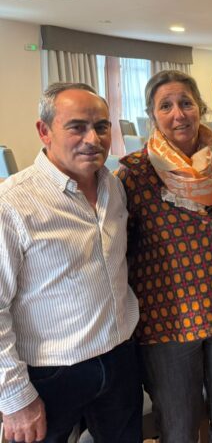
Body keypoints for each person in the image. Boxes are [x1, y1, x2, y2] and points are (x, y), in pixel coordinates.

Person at [116, 71, 212, 443]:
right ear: (153, 115)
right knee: (178, 430)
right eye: (166, 106)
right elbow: (119, 251)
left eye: (185, 103)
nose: (178, 114)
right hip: (169, 321)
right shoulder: (135, 172)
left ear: (200, 108)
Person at [0, 82, 142, 442]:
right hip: (50, 374)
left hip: (119, 358)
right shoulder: (12, 205)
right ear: (44, 131)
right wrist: (14, 397)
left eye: (102, 126)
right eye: (77, 127)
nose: (93, 139)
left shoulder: (114, 188)